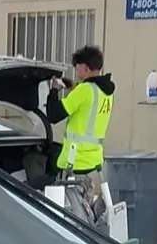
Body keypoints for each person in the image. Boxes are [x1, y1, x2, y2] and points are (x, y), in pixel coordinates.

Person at [43, 45, 117, 228]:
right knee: (84, 206)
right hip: (93, 160)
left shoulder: (84, 91)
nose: (76, 72)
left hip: (74, 160)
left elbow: (54, 115)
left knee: (73, 218)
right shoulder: (106, 92)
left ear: (85, 67)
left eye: (77, 69)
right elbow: (86, 108)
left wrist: (53, 90)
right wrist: (72, 88)